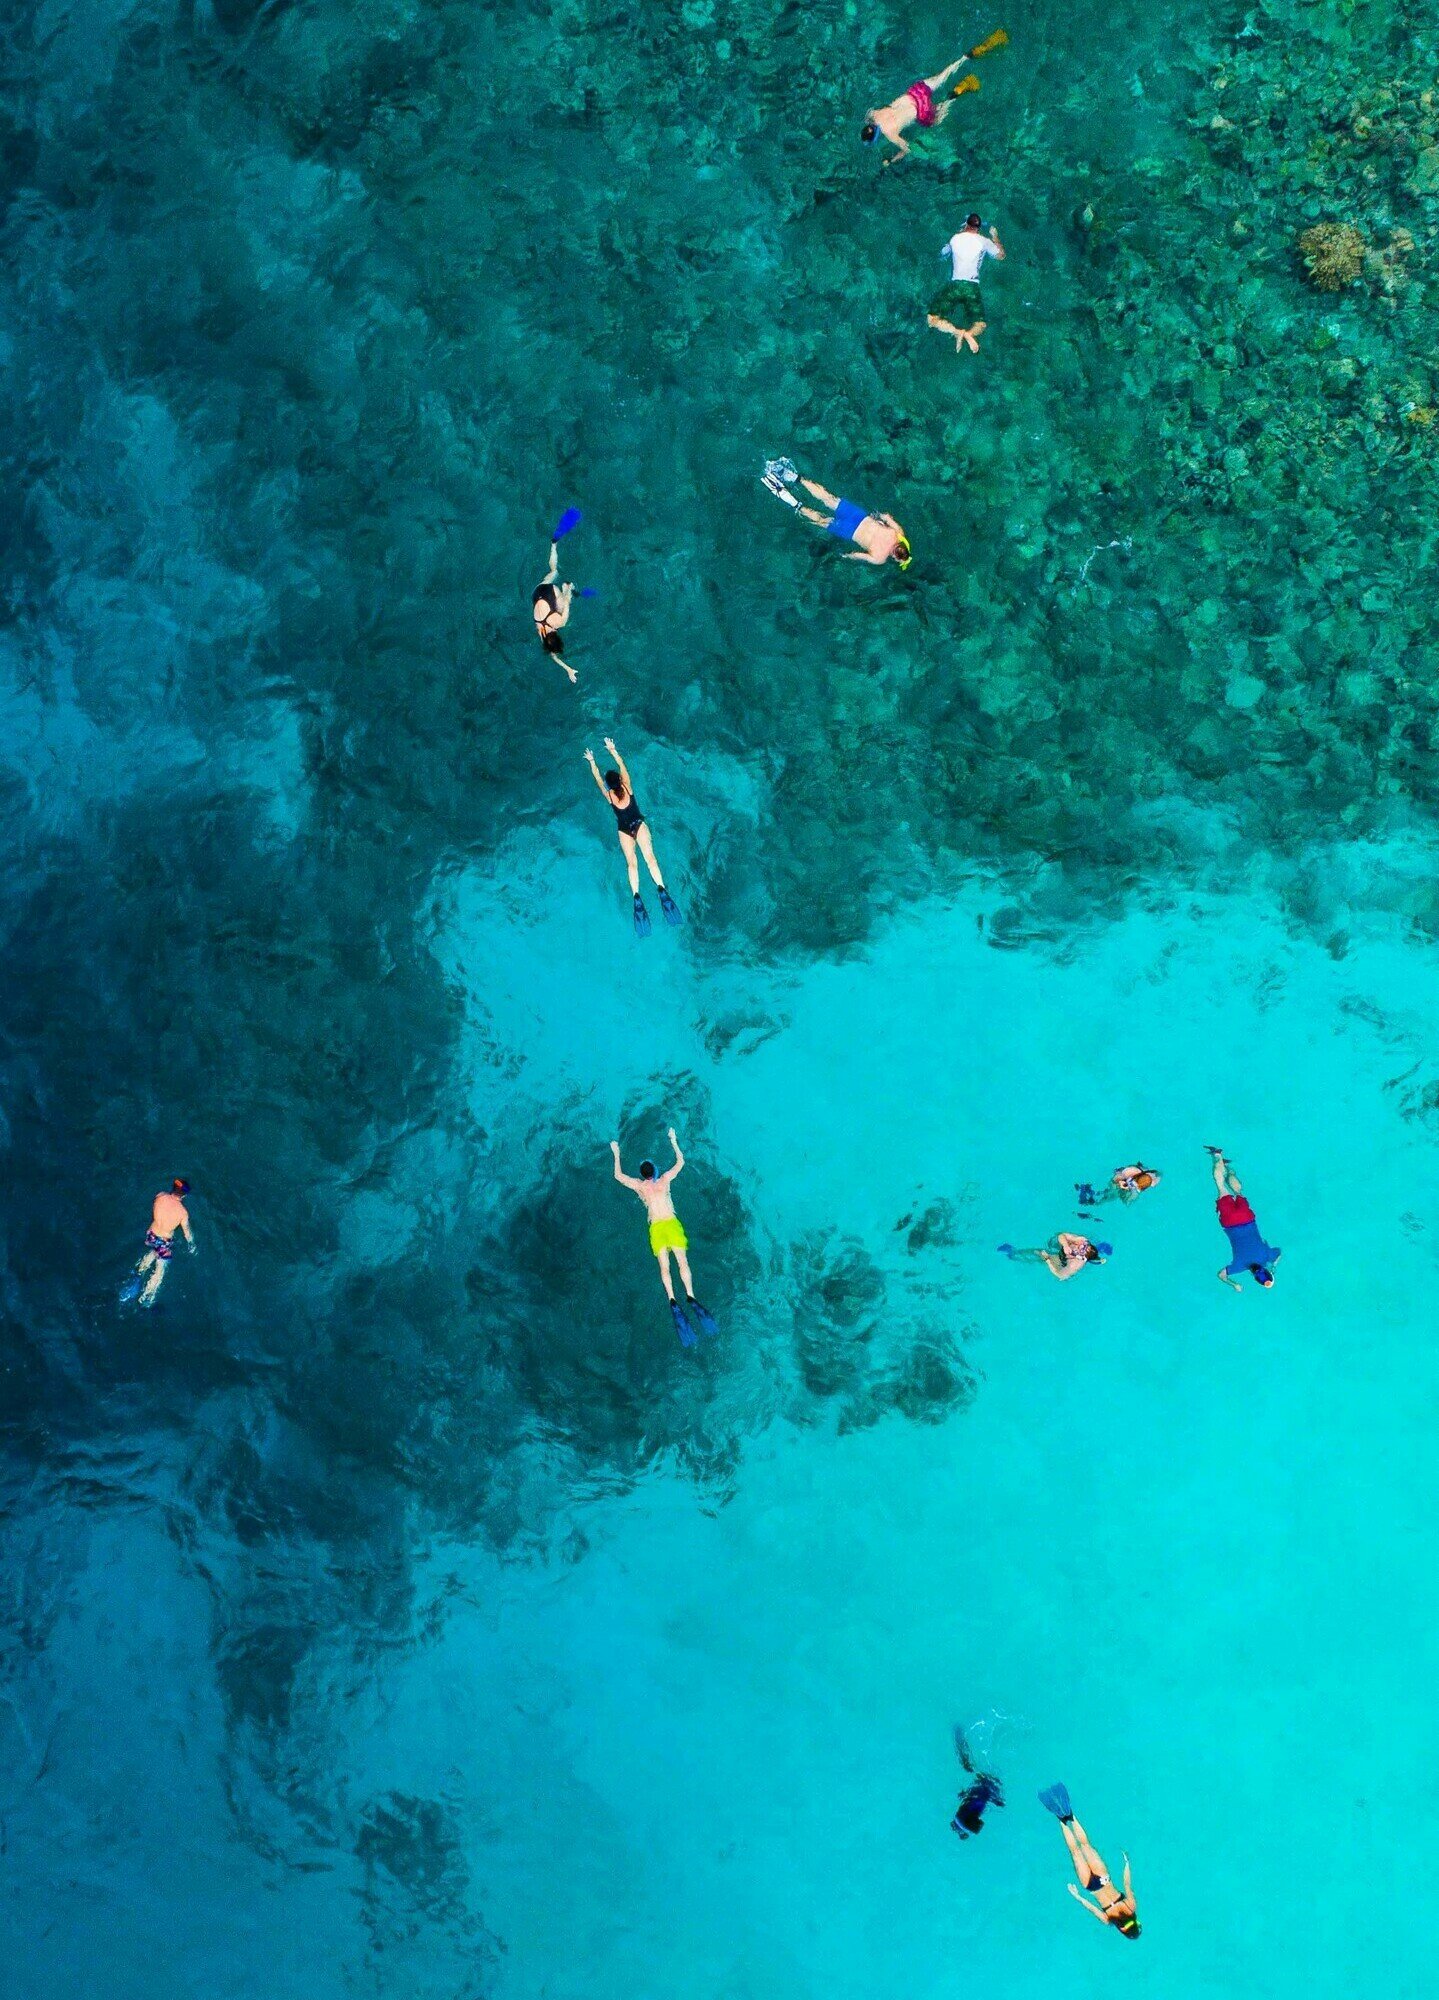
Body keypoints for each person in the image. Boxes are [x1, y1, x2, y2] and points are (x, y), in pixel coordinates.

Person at [611, 1129, 719, 1346]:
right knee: (683, 1262)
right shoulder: (665, 1180)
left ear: (642, 1175)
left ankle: (672, 1299)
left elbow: (618, 1176)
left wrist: (616, 1153)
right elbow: (681, 1162)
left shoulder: (640, 1187)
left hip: (657, 1228)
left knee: (664, 1268)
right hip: (671, 1224)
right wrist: (673, 1140)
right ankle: (690, 1295)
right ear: (656, 1171)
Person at [584, 739, 682, 936]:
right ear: (619, 779)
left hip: (624, 830)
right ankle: (661, 888)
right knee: (650, 858)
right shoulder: (627, 786)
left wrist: (592, 761)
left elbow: (597, 780)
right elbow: (622, 765)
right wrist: (613, 750)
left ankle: (636, 895)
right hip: (638, 825)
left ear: (609, 784)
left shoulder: (609, 796)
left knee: (632, 864)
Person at [1039, 1785, 1140, 1939]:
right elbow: (1091, 1907)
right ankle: (1061, 1820)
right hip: (1090, 1886)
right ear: (1124, 1931)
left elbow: (1127, 1883)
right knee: (1075, 1852)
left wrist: (1127, 1863)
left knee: (1085, 1846)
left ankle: (1071, 1817)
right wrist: (1077, 1895)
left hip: (1104, 1879)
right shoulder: (1108, 1920)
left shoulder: (1131, 1907)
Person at [861, 56, 981, 166]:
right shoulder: (874, 114)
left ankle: (955, 93)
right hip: (916, 93)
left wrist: (891, 161)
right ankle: (965, 57)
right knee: (942, 76)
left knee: (937, 120)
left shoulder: (890, 135)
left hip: (921, 111)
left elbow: (907, 150)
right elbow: (868, 115)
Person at [787, 472, 911, 567]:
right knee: (822, 520)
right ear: (895, 556)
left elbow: (886, 517)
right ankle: (799, 506)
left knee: (830, 499)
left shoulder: (898, 533)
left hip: (859, 517)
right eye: (896, 560)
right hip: (850, 532)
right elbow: (857, 555)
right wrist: (845, 556)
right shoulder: (880, 559)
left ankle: (799, 479)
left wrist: (877, 517)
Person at [928, 214, 1005, 354]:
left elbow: (941, 255)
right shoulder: (984, 241)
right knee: (980, 324)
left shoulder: (955, 238)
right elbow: (1001, 256)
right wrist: (995, 236)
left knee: (932, 319)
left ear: (966, 225)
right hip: (972, 288)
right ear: (979, 228)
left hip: (955, 286)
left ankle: (956, 331)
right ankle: (969, 334)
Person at [1208, 1147, 1281, 1290]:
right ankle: (1217, 1155)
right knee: (1221, 1186)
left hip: (1247, 1218)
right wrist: (1234, 1284)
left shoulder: (1267, 1256)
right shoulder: (1239, 1265)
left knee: (1238, 1192)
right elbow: (1221, 1275)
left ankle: (1228, 1167)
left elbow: (1280, 1253)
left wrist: (1274, 1266)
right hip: (1230, 1222)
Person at [123, 1178, 195, 1307]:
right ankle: (146, 1298)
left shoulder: (160, 1196)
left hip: (151, 1235)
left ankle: (138, 1274)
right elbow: (187, 1232)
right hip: (164, 1241)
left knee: (153, 1251)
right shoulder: (183, 1212)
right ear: (184, 1195)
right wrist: (191, 1245)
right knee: (160, 1269)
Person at [533, 541, 578, 683]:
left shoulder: (560, 623)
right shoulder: (542, 633)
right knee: (554, 572)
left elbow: (567, 604)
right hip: (538, 591)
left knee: (564, 604)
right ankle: (553, 545)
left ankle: (565, 588)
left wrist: (569, 591)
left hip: (551, 594)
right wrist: (568, 669)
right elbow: (553, 656)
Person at [998, 1232, 1110, 1279]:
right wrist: (1066, 1245)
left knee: (1038, 1253)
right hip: (1063, 1250)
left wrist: (1048, 1260)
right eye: (1084, 1246)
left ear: (1082, 1257)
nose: (1080, 1247)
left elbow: (1060, 1275)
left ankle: (1012, 1254)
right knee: (1053, 1242)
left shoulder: (1076, 1264)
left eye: (1082, 1250)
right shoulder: (1081, 1241)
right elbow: (1062, 1235)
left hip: (1061, 1261)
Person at [1076, 1163, 1161, 1207]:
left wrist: (1130, 1192)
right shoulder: (1130, 1171)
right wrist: (1119, 1184)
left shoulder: (1152, 1182)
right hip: (1118, 1180)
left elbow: (1127, 1201)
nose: (1132, 1185)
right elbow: (1114, 1179)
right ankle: (1093, 1200)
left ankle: (1093, 1198)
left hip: (1125, 1183)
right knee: (1109, 1195)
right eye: (1133, 1183)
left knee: (1110, 1196)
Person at [952, 1772, 1004, 1840]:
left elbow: (982, 1798)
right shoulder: (970, 1813)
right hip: (978, 1792)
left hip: (982, 1789)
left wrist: (995, 1800)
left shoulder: (976, 1807)